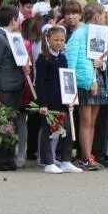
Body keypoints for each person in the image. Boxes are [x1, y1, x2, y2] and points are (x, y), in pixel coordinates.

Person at [64, 2, 108, 169]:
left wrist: (101, 62)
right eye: (104, 14)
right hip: (85, 81)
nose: (105, 18)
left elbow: (103, 58)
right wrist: (87, 81)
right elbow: (72, 60)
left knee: (92, 123)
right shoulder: (78, 34)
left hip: (98, 78)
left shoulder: (100, 33)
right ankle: (85, 157)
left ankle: (88, 155)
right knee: (85, 121)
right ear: (97, 15)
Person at [34, 25, 81, 174]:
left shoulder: (62, 57)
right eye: (56, 40)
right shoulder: (43, 58)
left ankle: (66, 160)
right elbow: (40, 83)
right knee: (49, 132)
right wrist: (43, 104)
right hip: (49, 101)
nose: (59, 43)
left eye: (62, 40)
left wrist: (71, 98)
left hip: (63, 100)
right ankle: (48, 162)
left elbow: (67, 78)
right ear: (48, 40)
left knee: (67, 130)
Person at [0, 5, 29, 171]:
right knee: (3, 123)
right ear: (13, 19)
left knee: (11, 122)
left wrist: (24, 67)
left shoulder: (13, 37)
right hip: (4, 87)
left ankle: (9, 158)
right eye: (18, 18)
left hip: (15, 86)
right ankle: (0, 159)